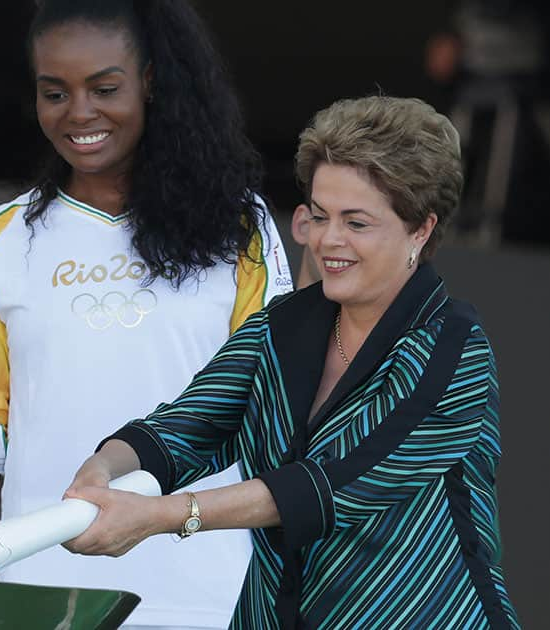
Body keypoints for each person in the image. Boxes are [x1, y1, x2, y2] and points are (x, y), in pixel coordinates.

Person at [63, 95, 521, 629]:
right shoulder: (277, 327)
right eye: (321, 216)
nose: (330, 240)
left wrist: (164, 517)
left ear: (420, 229)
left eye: (357, 223)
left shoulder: (453, 347)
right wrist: (103, 468)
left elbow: (333, 486)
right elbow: (183, 429)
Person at [0, 1, 292, 627]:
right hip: (44, 601)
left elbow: (273, 417)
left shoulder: (240, 227)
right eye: (55, 93)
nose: (80, 113)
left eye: (105, 88)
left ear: (151, 81)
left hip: (207, 595)